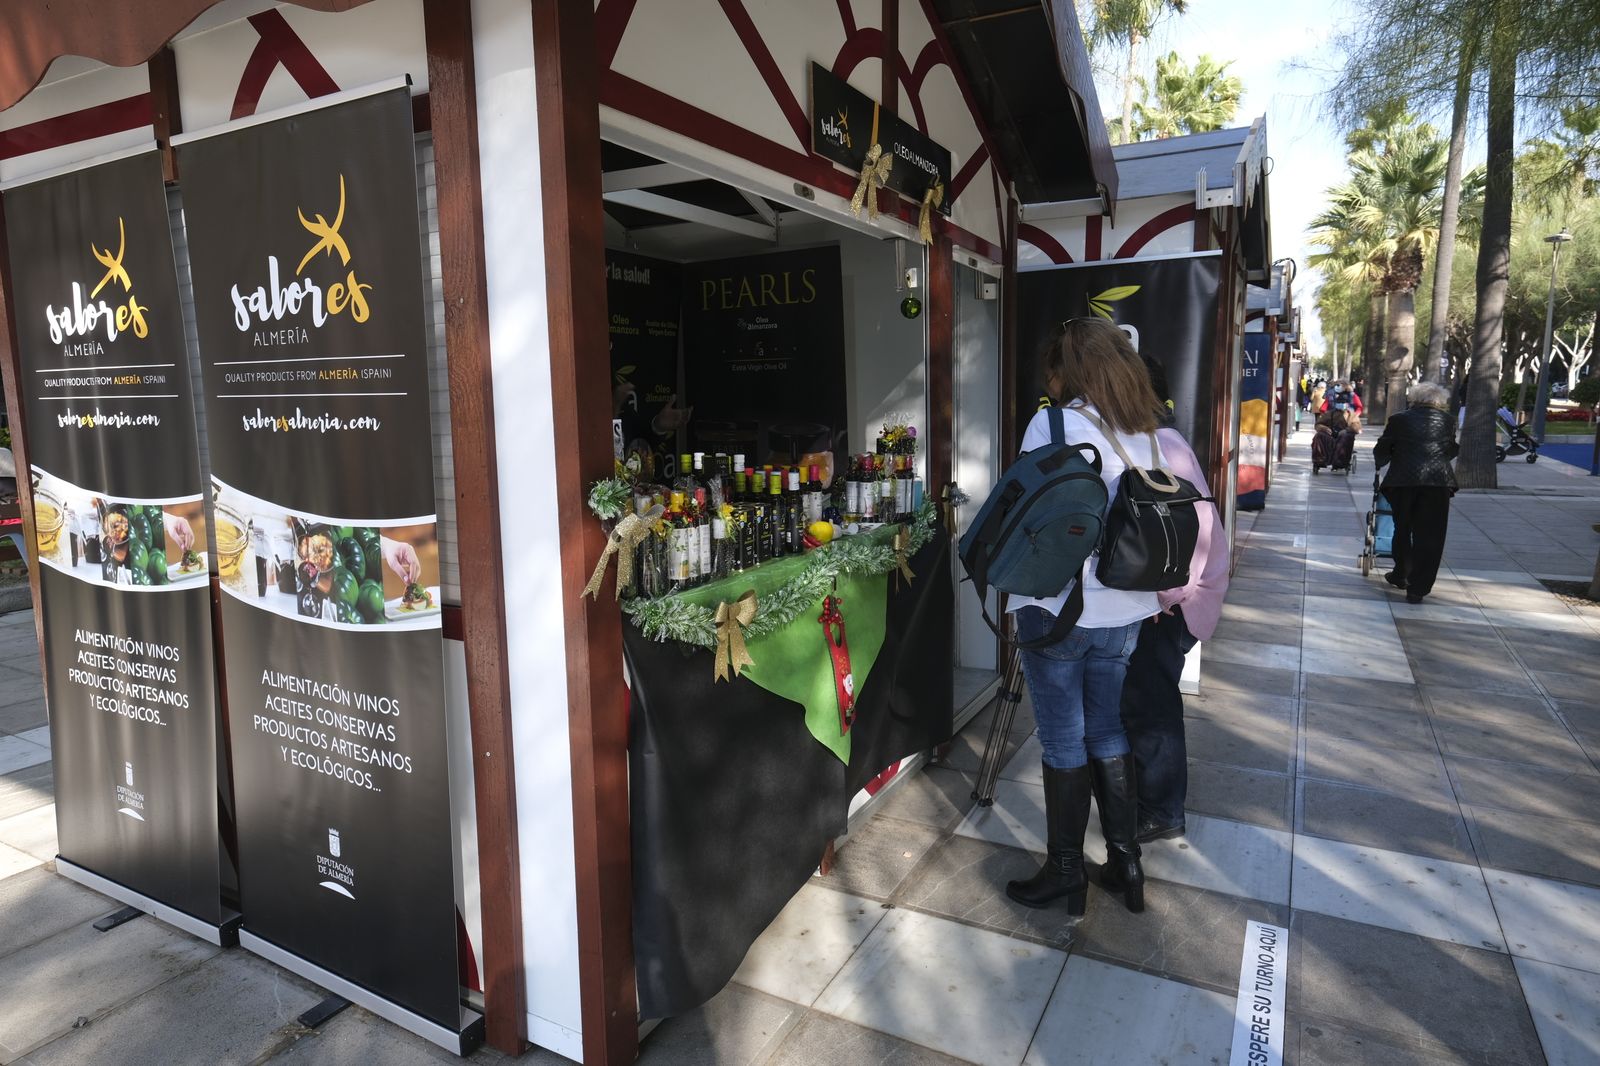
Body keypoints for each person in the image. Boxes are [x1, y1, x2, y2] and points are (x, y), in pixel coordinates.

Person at [1005, 318, 1164, 917]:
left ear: (1066, 371)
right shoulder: (1144, 430)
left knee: (1063, 738)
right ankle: (1126, 863)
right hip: (1126, 608)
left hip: (1058, 607)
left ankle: (1066, 872)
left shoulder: (1052, 425)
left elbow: (1025, 512)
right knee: (1106, 728)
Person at [1119, 363, 1229, 845]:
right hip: (1166, 600)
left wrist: (1167, 596)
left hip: (1170, 604)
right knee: (1144, 702)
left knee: (1151, 705)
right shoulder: (1157, 441)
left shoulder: (1162, 445)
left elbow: (1193, 531)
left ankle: (1161, 809)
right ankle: (1151, 802)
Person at [1374, 382, 1458, 604]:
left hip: (1403, 481)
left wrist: (1382, 459)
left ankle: (1401, 573)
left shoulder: (1399, 419)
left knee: (1403, 528)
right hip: (1437, 483)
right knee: (1431, 535)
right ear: (1439, 401)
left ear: (1414, 398)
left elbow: (1384, 446)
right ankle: (1418, 588)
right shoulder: (1449, 421)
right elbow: (1450, 448)